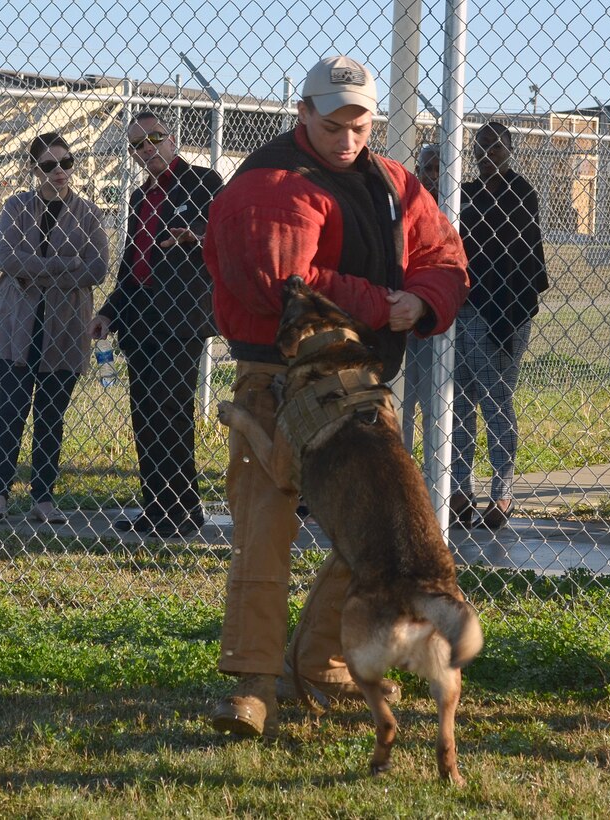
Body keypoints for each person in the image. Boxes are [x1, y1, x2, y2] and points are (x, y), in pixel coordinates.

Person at [203, 55, 469, 739]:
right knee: (266, 526)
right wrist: (386, 302)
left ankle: (322, 661)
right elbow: (282, 281)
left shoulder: (392, 181)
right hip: (277, 377)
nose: (348, 140)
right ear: (303, 115)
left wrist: (425, 299)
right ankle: (253, 682)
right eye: (333, 125)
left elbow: (444, 253)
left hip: (361, 383)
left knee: (368, 530)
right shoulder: (274, 181)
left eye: (359, 125)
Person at [87, 111, 223, 538]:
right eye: (138, 144)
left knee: (172, 413)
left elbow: (224, 232)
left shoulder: (204, 181)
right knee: (144, 415)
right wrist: (109, 311)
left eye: (154, 138)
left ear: (173, 138)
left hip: (180, 317)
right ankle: (157, 507)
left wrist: (193, 236)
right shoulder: (139, 197)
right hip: (140, 318)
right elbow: (132, 263)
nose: (147, 148)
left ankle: (183, 509)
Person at [0, 132, 109, 524]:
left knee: (51, 416)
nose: (59, 172)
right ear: (34, 170)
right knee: (12, 412)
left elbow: (98, 268)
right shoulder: (16, 206)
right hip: (18, 329)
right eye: (49, 165)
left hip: (65, 330)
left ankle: (43, 499)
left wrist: (38, 269)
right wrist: (66, 265)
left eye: (66, 163)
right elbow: (7, 257)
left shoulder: (88, 213)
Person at [450, 121, 549, 531]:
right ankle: (459, 490)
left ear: (509, 148)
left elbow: (517, 254)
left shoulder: (519, 191)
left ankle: (502, 492)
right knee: (457, 401)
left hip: (504, 312)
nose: (485, 152)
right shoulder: (464, 193)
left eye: (494, 145)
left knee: (495, 400)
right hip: (463, 308)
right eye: (479, 145)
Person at [401, 143, 441, 468]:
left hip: (433, 317)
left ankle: (432, 473)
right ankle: (400, 465)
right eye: (424, 168)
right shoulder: (405, 205)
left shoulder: (453, 207)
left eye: (436, 168)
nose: (429, 176)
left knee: (432, 401)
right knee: (402, 397)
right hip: (402, 312)